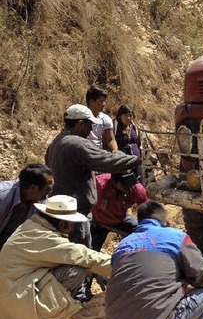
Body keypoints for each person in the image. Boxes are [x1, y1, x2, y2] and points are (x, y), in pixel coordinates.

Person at [106, 201, 203, 319]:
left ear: (139, 221)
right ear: (165, 221)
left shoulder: (123, 245)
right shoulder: (176, 237)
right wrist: (184, 284)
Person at [0, 195, 111, 319]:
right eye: (71, 223)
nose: (72, 228)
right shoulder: (46, 238)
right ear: (63, 223)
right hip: (20, 310)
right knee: (75, 271)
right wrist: (125, 266)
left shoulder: (31, 227)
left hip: (9, 309)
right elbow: (86, 257)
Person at [45, 104, 142, 248]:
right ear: (80, 123)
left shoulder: (57, 142)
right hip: (75, 210)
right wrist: (136, 160)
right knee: (79, 249)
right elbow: (106, 161)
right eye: (89, 125)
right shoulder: (78, 144)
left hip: (60, 206)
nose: (91, 130)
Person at [0, 164, 54, 249]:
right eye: (47, 190)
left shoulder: (40, 201)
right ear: (33, 188)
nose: (49, 194)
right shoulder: (3, 197)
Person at [91, 172, 149, 252]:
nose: (128, 188)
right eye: (125, 185)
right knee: (91, 249)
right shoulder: (99, 183)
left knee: (142, 232)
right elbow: (84, 199)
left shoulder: (136, 188)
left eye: (130, 185)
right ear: (115, 182)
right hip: (97, 222)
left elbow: (149, 209)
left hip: (121, 220)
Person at [114, 104, 144, 181]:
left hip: (135, 160)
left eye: (130, 115)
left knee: (140, 183)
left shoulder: (134, 127)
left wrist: (140, 156)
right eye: (126, 115)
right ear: (120, 115)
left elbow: (138, 143)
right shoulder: (115, 127)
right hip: (122, 162)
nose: (128, 118)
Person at [86, 85, 118, 152]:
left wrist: (114, 150)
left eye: (104, 101)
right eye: (101, 101)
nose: (104, 104)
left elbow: (110, 139)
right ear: (91, 102)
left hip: (99, 153)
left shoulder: (105, 119)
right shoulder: (81, 118)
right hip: (83, 151)